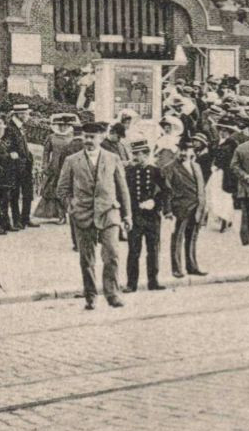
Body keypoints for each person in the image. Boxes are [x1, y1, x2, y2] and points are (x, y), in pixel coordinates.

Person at [58, 120, 132, 310]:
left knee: (112, 255)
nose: (89, 140)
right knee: (87, 259)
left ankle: (112, 293)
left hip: (109, 212)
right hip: (82, 215)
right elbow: (62, 189)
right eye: (86, 137)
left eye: (93, 137)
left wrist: (127, 215)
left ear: (101, 138)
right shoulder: (72, 160)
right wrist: (71, 205)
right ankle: (90, 295)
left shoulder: (112, 158)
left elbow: (123, 189)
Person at [123, 138, 167, 292]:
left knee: (153, 250)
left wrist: (155, 203)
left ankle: (153, 281)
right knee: (134, 251)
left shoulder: (155, 171)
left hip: (152, 217)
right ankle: (131, 283)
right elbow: (124, 194)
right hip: (135, 216)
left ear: (146, 154)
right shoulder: (129, 172)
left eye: (138, 154)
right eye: (133, 153)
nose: (135, 157)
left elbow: (166, 191)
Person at [161, 143, 208, 277]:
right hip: (180, 209)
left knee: (192, 238)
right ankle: (176, 268)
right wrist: (168, 210)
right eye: (181, 150)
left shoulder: (196, 166)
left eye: (186, 150)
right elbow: (166, 191)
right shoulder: (169, 168)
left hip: (196, 208)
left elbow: (201, 188)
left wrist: (203, 205)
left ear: (192, 151)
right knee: (177, 239)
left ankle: (192, 266)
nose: (183, 153)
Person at [33, 113, 79, 223]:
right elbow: (46, 151)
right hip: (54, 167)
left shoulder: (72, 136)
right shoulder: (51, 137)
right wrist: (44, 164)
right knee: (53, 191)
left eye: (66, 125)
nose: (64, 127)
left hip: (68, 166)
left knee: (68, 191)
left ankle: (70, 214)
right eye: (61, 125)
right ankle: (60, 215)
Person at [4, 103, 37, 228]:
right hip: (15, 166)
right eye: (26, 113)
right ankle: (17, 220)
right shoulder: (10, 128)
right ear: (20, 114)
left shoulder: (21, 127)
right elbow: (8, 147)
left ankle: (25, 218)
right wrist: (13, 155)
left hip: (26, 165)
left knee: (28, 193)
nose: (28, 116)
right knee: (15, 194)